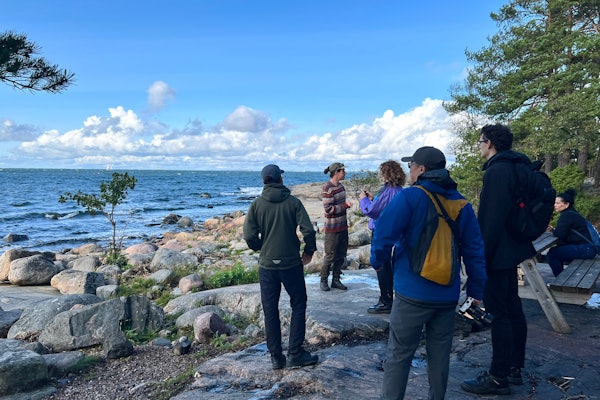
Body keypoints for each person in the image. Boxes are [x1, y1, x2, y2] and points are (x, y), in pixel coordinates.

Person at [371, 146, 487, 400]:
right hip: (446, 295)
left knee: (399, 354)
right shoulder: (461, 203)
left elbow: (383, 234)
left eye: (411, 166)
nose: (409, 171)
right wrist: (475, 291)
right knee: (440, 355)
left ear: (421, 169)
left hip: (412, 293)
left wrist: (377, 262)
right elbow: (475, 251)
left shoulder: (410, 197)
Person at [462, 123, 536, 395]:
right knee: (513, 307)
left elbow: (490, 221)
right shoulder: (518, 166)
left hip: (498, 253)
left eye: (480, 142)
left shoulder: (497, 171)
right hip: (514, 247)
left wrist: (479, 261)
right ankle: (514, 367)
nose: (480, 147)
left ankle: (497, 377)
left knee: (499, 313)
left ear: (490, 143)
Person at [243, 164, 319, 370]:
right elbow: (308, 230)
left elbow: (249, 235)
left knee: (270, 310)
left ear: (264, 181)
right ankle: (295, 352)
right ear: (280, 179)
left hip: (267, 265)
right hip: (291, 264)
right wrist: (309, 251)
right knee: (298, 304)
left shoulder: (256, 204)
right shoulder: (293, 202)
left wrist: (260, 246)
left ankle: (276, 357)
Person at [359, 160, 406, 314]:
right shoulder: (398, 190)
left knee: (381, 265)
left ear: (386, 173)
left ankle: (385, 300)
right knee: (389, 266)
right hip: (395, 232)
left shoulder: (389, 190)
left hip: (383, 231)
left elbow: (372, 211)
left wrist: (363, 200)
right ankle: (389, 298)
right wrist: (374, 199)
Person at [546, 189, 597, 277]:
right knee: (558, 250)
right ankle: (562, 278)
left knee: (552, 254)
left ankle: (560, 279)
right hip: (589, 248)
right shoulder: (572, 213)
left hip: (585, 249)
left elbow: (559, 234)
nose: (555, 205)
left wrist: (554, 231)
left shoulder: (566, 215)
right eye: (555, 203)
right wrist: (554, 230)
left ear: (566, 204)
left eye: (558, 203)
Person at [320, 162, 352, 291]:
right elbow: (328, 209)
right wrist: (345, 206)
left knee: (341, 254)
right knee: (330, 255)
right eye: (343, 171)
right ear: (337, 172)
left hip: (343, 226)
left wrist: (345, 206)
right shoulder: (327, 188)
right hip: (332, 229)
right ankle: (323, 280)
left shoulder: (341, 187)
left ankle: (336, 280)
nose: (345, 173)